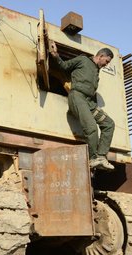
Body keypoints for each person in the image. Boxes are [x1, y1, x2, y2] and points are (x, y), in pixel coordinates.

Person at [49, 40, 115, 170]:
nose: (106, 65)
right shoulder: (83, 60)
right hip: (77, 97)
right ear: (100, 56)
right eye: (106, 61)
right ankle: (93, 158)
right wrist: (55, 54)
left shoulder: (97, 71)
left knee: (109, 124)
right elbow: (63, 66)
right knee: (91, 127)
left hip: (89, 102)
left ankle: (101, 156)